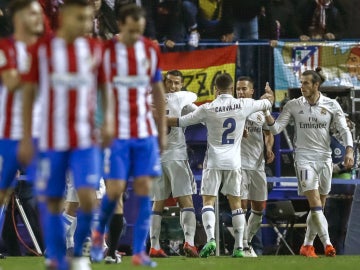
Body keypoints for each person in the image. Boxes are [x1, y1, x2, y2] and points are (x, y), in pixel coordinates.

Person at [18, 0, 114, 269]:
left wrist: (107, 122)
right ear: (64, 17)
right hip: (53, 139)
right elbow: (28, 93)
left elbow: (105, 88)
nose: (85, 25)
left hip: (86, 140)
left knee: (88, 197)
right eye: (80, 18)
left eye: (89, 20)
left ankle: (81, 251)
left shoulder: (96, 49)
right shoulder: (45, 50)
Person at [90, 4, 166, 267]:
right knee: (114, 192)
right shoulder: (108, 52)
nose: (136, 35)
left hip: (144, 132)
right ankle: (105, 242)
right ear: (120, 26)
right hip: (118, 133)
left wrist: (162, 132)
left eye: (140, 30)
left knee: (145, 190)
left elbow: (158, 91)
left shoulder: (150, 49)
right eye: (131, 30)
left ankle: (139, 252)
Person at [168, 73, 274, 258]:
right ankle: (240, 248)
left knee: (208, 201)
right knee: (236, 206)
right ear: (232, 89)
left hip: (214, 161)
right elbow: (266, 105)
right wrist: (268, 98)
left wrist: (159, 117)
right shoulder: (244, 104)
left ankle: (210, 239)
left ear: (215, 89)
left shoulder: (209, 108)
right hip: (234, 163)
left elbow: (181, 121)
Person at [264, 67, 354, 258]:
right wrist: (267, 110)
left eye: (306, 83)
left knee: (319, 205)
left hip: (325, 159)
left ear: (316, 85)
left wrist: (349, 149)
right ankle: (328, 244)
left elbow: (344, 130)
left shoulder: (331, 105)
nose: (302, 86)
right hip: (304, 158)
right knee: (315, 204)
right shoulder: (293, 105)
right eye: (301, 83)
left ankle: (307, 245)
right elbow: (277, 128)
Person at [0, 0, 43, 233]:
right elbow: (12, 82)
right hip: (7, 133)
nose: (38, 18)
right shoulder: (5, 49)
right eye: (32, 14)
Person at [149, 70, 198, 258]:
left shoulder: (150, 98)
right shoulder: (182, 97)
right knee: (186, 200)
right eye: (170, 82)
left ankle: (154, 246)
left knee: (157, 203)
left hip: (156, 156)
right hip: (176, 156)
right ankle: (190, 243)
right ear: (165, 82)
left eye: (177, 83)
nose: (173, 86)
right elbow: (198, 111)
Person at [235, 77, 275, 257]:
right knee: (241, 206)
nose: (240, 92)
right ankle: (241, 246)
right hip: (239, 165)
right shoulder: (233, 108)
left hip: (258, 165)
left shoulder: (260, 111)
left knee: (259, 207)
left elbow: (268, 133)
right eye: (238, 89)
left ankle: (247, 241)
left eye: (244, 89)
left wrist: (269, 148)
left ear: (252, 91)